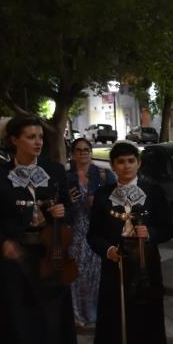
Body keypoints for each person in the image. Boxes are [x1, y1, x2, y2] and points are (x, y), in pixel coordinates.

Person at [0, 116, 82, 344]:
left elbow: (71, 214)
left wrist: (63, 212)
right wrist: (4, 243)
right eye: (30, 136)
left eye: (40, 136)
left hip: (52, 256)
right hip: (17, 260)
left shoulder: (53, 171)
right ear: (14, 140)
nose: (38, 142)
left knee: (53, 323)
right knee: (20, 325)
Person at [87, 142, 173, 344]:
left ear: (138, 163)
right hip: (115, 268)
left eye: (130, 161)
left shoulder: (153, 191)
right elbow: (93, 235)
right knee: (117, 321)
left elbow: (169, 228)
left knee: (146, 322)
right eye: (120, 162)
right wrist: (108, 250)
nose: (126, 166)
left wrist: (152, 234)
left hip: (145, 267)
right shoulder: (103, 196)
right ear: (113, 166)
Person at [66, 137, 115, 327]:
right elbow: (62, 207)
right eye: (78, 150)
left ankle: (95, 313)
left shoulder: (104, 175)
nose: (83, 153)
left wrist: (98, 204)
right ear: (73, 154)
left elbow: (115, 203)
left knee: (97, 274)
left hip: (97, 231)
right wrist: (69, 201)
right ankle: (77, 314)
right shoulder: (67, 178)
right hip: (76, 230)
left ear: (91, 152)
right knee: (77, 274)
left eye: (86, 149)